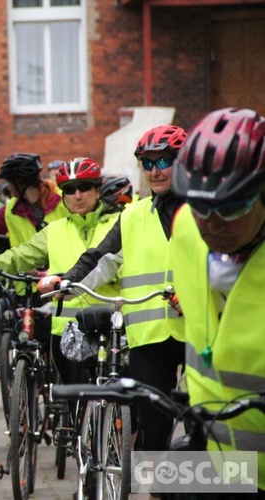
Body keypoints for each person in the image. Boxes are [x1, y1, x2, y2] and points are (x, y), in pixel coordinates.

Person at [38, 124, 188, 455]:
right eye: (147, 163)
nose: (154, 171)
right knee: (154, 427)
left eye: (163, 161)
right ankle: (158, 492)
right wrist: (68, 282)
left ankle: (199, 486)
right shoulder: (133, 215)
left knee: (200, 421)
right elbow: (99, 257)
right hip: (148, 337)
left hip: (199, 331)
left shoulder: (203, 211)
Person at [169, 107, 265, 494]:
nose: (211, 223)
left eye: (231, 207)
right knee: (161, 478)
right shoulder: (185, 229)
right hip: (211, 455)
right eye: (200, 206)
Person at [0, 158, 121, 387]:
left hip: (109, 326)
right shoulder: (55, 230)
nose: (77, 195)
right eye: (69, 190)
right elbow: (22, 254)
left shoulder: (118, 223)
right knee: (71, 406)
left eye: (84, 187)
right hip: (66, 331)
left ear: (98, 190)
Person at [0, 153, 69, 260]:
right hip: (25, 275)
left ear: (20, 183)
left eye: (9, 183)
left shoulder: (63, 200)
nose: (8, 188)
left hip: (63, 273)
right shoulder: (11, 208)